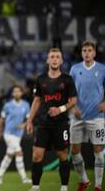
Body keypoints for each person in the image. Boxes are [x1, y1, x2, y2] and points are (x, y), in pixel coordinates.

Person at [26, 48, 77, 191]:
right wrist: (30, 120)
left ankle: (64, 187)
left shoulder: (67, 79)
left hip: (61, 124)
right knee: (37, 156)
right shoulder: (41, 79)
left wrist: (59, 109)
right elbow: (36, 101)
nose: (54, 59)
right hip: (43, 124)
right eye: (52, 57)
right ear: (48, 60)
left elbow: (73, 101)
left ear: (61, 61)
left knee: (62, 155)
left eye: (57, 57)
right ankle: (35, 187)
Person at [69, 41, 105, 191]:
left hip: (97, 117)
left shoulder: (102, 69)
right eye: (84, 50)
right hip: (78, 116)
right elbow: (69, 91)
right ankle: (84, 180)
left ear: (94, 53)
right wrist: (73, 108)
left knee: (98, 151)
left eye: (90, 50)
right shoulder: (75, 69)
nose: (87, 53)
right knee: (74, 151)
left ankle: (97, 185)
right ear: (82, 53)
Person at [0, 85, 31, 184]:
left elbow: (28, 119)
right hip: (9, 133)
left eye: (18, 91)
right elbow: (1, 119)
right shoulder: (8, 105)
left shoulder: (26, 105)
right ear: (12, 94)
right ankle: (24, 178)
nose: (16, 93)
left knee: (9, 155)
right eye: (14, 91)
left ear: (21, 93)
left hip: (19, 134)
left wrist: (24, 125)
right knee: (19, 152)